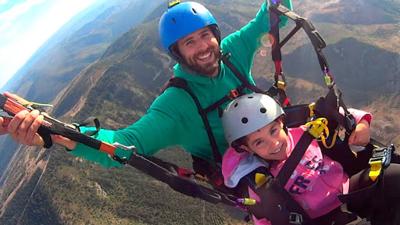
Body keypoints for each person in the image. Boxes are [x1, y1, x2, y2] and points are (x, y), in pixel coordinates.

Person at [0, 1, 292, 170]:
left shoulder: (233, 52)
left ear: (215, 34)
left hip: (283, 139)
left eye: (205, 35)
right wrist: (53, 134)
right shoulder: (176, 104)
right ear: (177, 53)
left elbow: (270, 18)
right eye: (189, 42)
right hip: (250, 177)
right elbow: (126, 143)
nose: (203, 47)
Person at [220, 93, 400, 225]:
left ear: (282, 122)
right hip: (321, 219)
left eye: (273, 130)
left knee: (394, 176)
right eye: (259, 142)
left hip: (350, 190)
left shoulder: (304, 132)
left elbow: (337, 114)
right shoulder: (262, 180)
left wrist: (362, 123)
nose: (274, 144)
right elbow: (264, 217)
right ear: (246, 149)